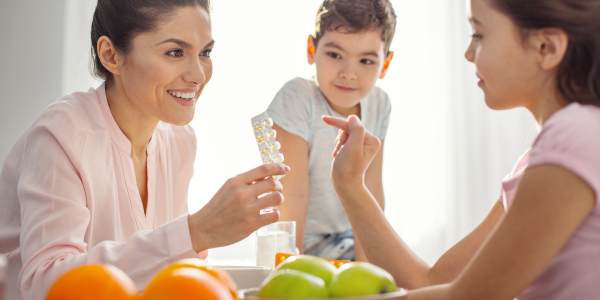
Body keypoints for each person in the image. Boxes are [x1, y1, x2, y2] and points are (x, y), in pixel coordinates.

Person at [0, 1, 288, 299]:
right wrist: (195, 232)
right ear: (110, 55)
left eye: (205, 53)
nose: (199, 74)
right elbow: (44, 284)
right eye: (175, 52)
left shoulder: (179, 140)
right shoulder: (64, 133)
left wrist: (199, 242)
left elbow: (167, 271)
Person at [323, 0, 600, 298]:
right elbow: (432, 283)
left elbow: (466, 297)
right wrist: (350, 185)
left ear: (546, 47)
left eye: (478, 35)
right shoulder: (542, 158)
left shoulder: (574, 136)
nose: (468, 54)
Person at [267, 0, 395, 261]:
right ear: (311, 49)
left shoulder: (379, 104)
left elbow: (372, 190)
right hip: (305, 242)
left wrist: (367, 269)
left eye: (366, 60)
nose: (349, 73)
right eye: (335, 55)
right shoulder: (298, 97)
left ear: (385, 64)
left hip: (350, 237)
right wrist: (291, 265)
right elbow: (292, 194)